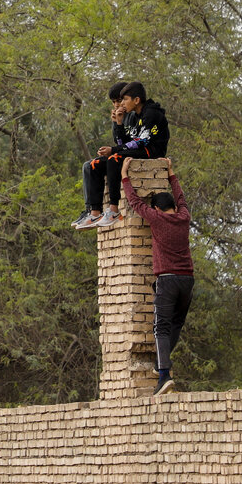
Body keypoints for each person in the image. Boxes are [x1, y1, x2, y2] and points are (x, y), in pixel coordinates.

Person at [122, 156, 194, 395]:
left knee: (160, 327)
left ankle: (164, 375)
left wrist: (124, 176)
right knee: (176, 323)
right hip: (187, 279)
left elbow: (134, 203)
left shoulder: (156, 218)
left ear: (157, 209)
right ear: (173, 206)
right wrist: (171, 173)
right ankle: (160, 365)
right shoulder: (183, 217)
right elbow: (181, 197)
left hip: (167, 280)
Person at [76, 81, 169, 229]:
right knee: (95, 164)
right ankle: (94, 212)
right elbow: (125, 142)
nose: (121, 104)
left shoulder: (151, 113)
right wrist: (118, 123)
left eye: (124, 99)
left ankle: (113, 209)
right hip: (139, 149)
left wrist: (114, 150)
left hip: (150, 152)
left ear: (136, 100)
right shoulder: (136, 115)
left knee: (114, 158)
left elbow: (141, 141)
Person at [71, 81, 131, 228]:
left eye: (119, 101)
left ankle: (110, 209)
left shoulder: (133, 116)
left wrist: (119, 124)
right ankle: (91, 211)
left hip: (129, 155)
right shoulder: (121, 115)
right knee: (88, 165)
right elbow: (118, 141)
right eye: (114, 102)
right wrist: (116, 123)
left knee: (103, 162)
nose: (117, 105)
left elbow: (126, 143)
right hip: (120, 153)